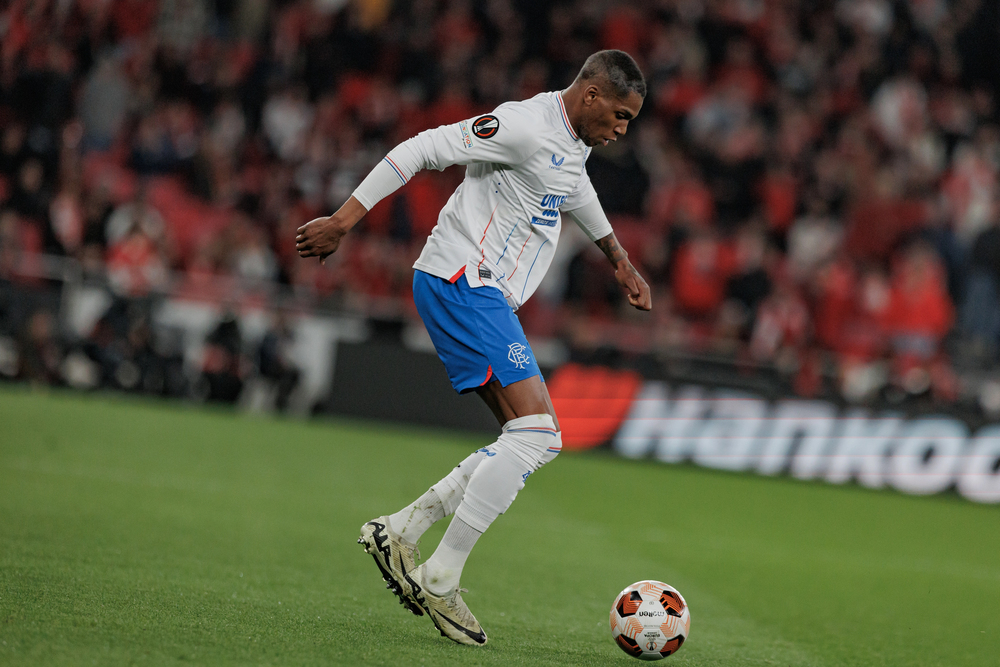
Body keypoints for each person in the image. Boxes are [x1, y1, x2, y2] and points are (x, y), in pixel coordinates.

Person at [296, 50, 652, 646]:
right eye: (619, 115)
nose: (621, 130)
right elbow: (421, 149)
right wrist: (343, 219)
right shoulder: (522, 128)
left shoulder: (571, 141)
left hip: (479, 292)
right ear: (590, 94)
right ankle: (440, 575)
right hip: (464, 281)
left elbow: (574, 185)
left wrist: (617, 257)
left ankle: (402, 531)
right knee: (540, 434)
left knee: (526, 440)